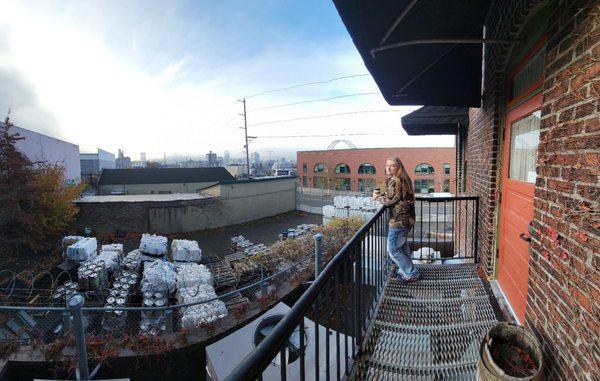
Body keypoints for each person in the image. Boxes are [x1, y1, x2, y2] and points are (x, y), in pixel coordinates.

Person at [372, 157, 420, 282]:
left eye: (392, 165)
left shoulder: (395, 180)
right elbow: (394, 196)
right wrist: (383, 195)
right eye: (387, 165)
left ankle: (411, 274)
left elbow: (390, 201)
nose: (388, 168)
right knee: (402, 247)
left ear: (398, 167)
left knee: (393, 250)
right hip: (407, 219)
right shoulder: (404, 178)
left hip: (398, 221)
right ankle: (407, 270)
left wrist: (378, 198)